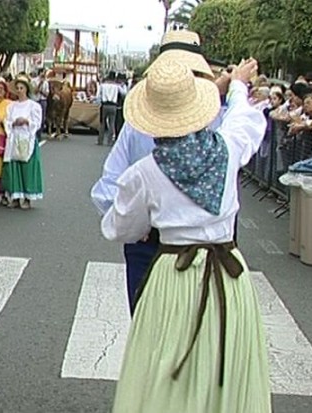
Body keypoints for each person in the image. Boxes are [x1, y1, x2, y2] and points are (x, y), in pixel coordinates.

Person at [102, 58, 271, 412]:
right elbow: (246, 119)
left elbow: (120, 229)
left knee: (166, 359)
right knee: (221, 356)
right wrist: (238, 84)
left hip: (173, 274)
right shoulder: (228, 149)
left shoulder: (143, 173)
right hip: (226, 274)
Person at [91, 28, 221, 314]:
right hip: (168, 244)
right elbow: (110, 183)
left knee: (176, 339)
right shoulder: (222, 124)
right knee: (154, 332)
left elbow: (111, 185)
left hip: (201, 248)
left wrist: (130, 221)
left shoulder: (219, 119)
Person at [2, 75, 43, 209]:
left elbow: (36, 123)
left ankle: (27, 197)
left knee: (27, 168)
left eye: (22, 88)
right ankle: (15, 196)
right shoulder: (12, 106)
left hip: (27, 137)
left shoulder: (33, 106)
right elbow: (7, 121)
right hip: (14, 138)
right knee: (14, 167)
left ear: (26, 89)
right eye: (18, 88)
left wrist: (27, 121)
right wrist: (13, 123)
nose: (19, 90)